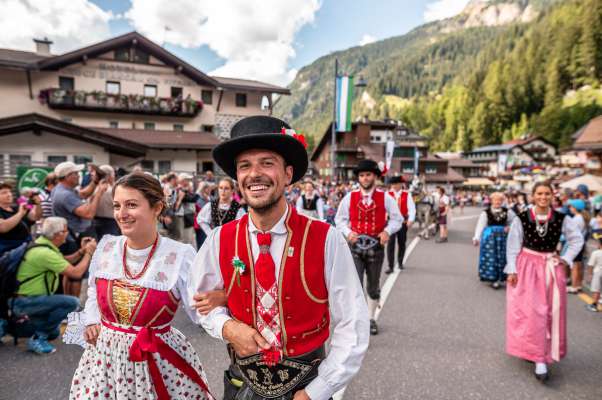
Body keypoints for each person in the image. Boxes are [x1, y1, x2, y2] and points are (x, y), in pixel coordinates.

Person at [190, 116, 369, 400]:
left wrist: (318, 391)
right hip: (241, 384)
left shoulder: (326, 239)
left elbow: (353, 322)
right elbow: (198, 301)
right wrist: (227, 327)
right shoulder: (219, 239)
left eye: (266, 163)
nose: (254, 173)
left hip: (305, 385)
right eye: (245, 166)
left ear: (288, 174)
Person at [66, 173, 213, 399]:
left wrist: (226, 310)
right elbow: (95, 291)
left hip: (158, 359)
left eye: (131, 205)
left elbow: (201, 311)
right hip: (105, 361)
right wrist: (92, 320)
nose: (121, 214)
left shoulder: (179, 256)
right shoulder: (107, 248)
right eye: (117, 206)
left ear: (157, 208)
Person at [505, 181, 584, 381]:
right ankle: (533, 352)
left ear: (552, 196)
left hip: (550, 267)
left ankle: (543, 355)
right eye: (539, 193)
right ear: (533, 195)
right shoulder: (522, 218)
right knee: (529, 312)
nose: (543, 197)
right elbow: (513, 244)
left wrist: (565, 259)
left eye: (547, 193)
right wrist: (512, 269)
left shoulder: (561, 218)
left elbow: (577, 239)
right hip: (527, 267)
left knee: (549, 311)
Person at [335, 159, 402, 335]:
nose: (365, 178)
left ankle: (371, 318)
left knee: (372, 286)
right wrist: (348, 232)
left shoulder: (385, 198)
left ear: (375, 177)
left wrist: (387, 231)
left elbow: (397, 219)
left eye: (368, 175)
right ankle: (357, 319)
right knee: (355, 284)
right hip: (355, 246)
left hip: (376, 246)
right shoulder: (350, 197)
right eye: (362, 175)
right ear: (359, 178)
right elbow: (339, 219)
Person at [10, 217, 95, 354]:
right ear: (58, 234)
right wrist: (89, 253)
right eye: (66, 230)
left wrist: (82, 250)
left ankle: (10, 326)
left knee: (54, 332)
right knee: (71, 303)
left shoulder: (43, 244)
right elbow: (76, 273)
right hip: (26, 302)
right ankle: (37, 338)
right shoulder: (45, 253)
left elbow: (64, 261)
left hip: (27, 300)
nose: (67, 233)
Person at [52, 161, 108, 297]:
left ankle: (69, 302)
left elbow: (83, 194)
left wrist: (95, 182)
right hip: (74, 236)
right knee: (76, 274)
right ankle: (74, 305)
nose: (79, 176)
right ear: (67, 176)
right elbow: (88, 213)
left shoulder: (62, 189)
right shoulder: (65, 195)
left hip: (71, 234)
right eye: (76, 173)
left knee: (70, 274)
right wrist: (99, 193)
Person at [473, 192, 516, 289]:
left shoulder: (507, 211)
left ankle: (501, 277)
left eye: (500, 200)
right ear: (491, 201)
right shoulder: (486, 212)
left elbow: (515, 221)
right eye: (495, 200)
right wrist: (476, 237)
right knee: (491, 257)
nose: (497, 201)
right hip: (489, 238)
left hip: (503, 237)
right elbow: (481, 225)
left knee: (502, 257)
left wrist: (509, 227)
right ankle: (493, 278)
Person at [0, 182, 42, 254]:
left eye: (10, 192)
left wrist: (38, 204)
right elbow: (2, 227)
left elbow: (35, 217)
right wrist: (20, 214)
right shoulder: (18, 210)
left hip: (26, 247)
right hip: (9, 252)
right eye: (4, 193)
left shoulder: (15, 208)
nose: (9, 195)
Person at [385, 175, 415, 273]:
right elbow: (383, 208)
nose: (393, 186)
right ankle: (390, 266)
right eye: (392, 184)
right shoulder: (387, 194)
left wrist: (411, 219)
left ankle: (400, 262)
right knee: (390, 245)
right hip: (391, 223)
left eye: (395, 184)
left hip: (402, 223)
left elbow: (411, 208)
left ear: (400, 184)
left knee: (402, 243)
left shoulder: (407, 194)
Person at [566, 198, 589, 294]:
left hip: (576, 244)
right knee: (579, 265)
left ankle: (574, 286)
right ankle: (578, 285)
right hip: (581, 243)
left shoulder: (576, 218)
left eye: (571, 206)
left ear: (575, 208)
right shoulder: (581, 217)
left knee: (575, 265)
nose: (570, 208)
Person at [92, 165, 121, 240]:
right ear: (109, 176)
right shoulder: (110, 190)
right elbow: (120, 207)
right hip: (110, 224)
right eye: (113, 174)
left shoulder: (95, 189)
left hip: (96, 222)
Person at [585, 236, 602, 312]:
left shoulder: (596, 253)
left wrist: (589, 274)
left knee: (596, 289)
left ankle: (594, 305)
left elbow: (590, 265)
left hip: (598, 273)